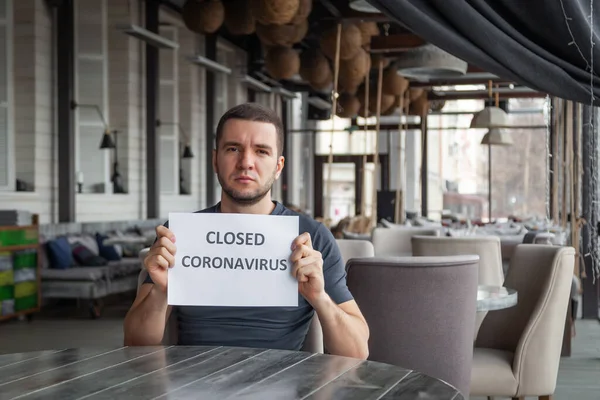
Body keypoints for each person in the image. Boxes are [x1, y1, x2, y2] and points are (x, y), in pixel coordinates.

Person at [123, 103, 369, 359]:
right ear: (215, 160)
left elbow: (356, 352)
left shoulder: (312, 236)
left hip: (282, 383)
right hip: (193, 383)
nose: (246, 162)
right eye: (233, 149)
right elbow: (135, 342)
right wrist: (162, 291)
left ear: (278, 166)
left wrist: (320, 299)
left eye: (261, 151)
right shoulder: (181, 234)